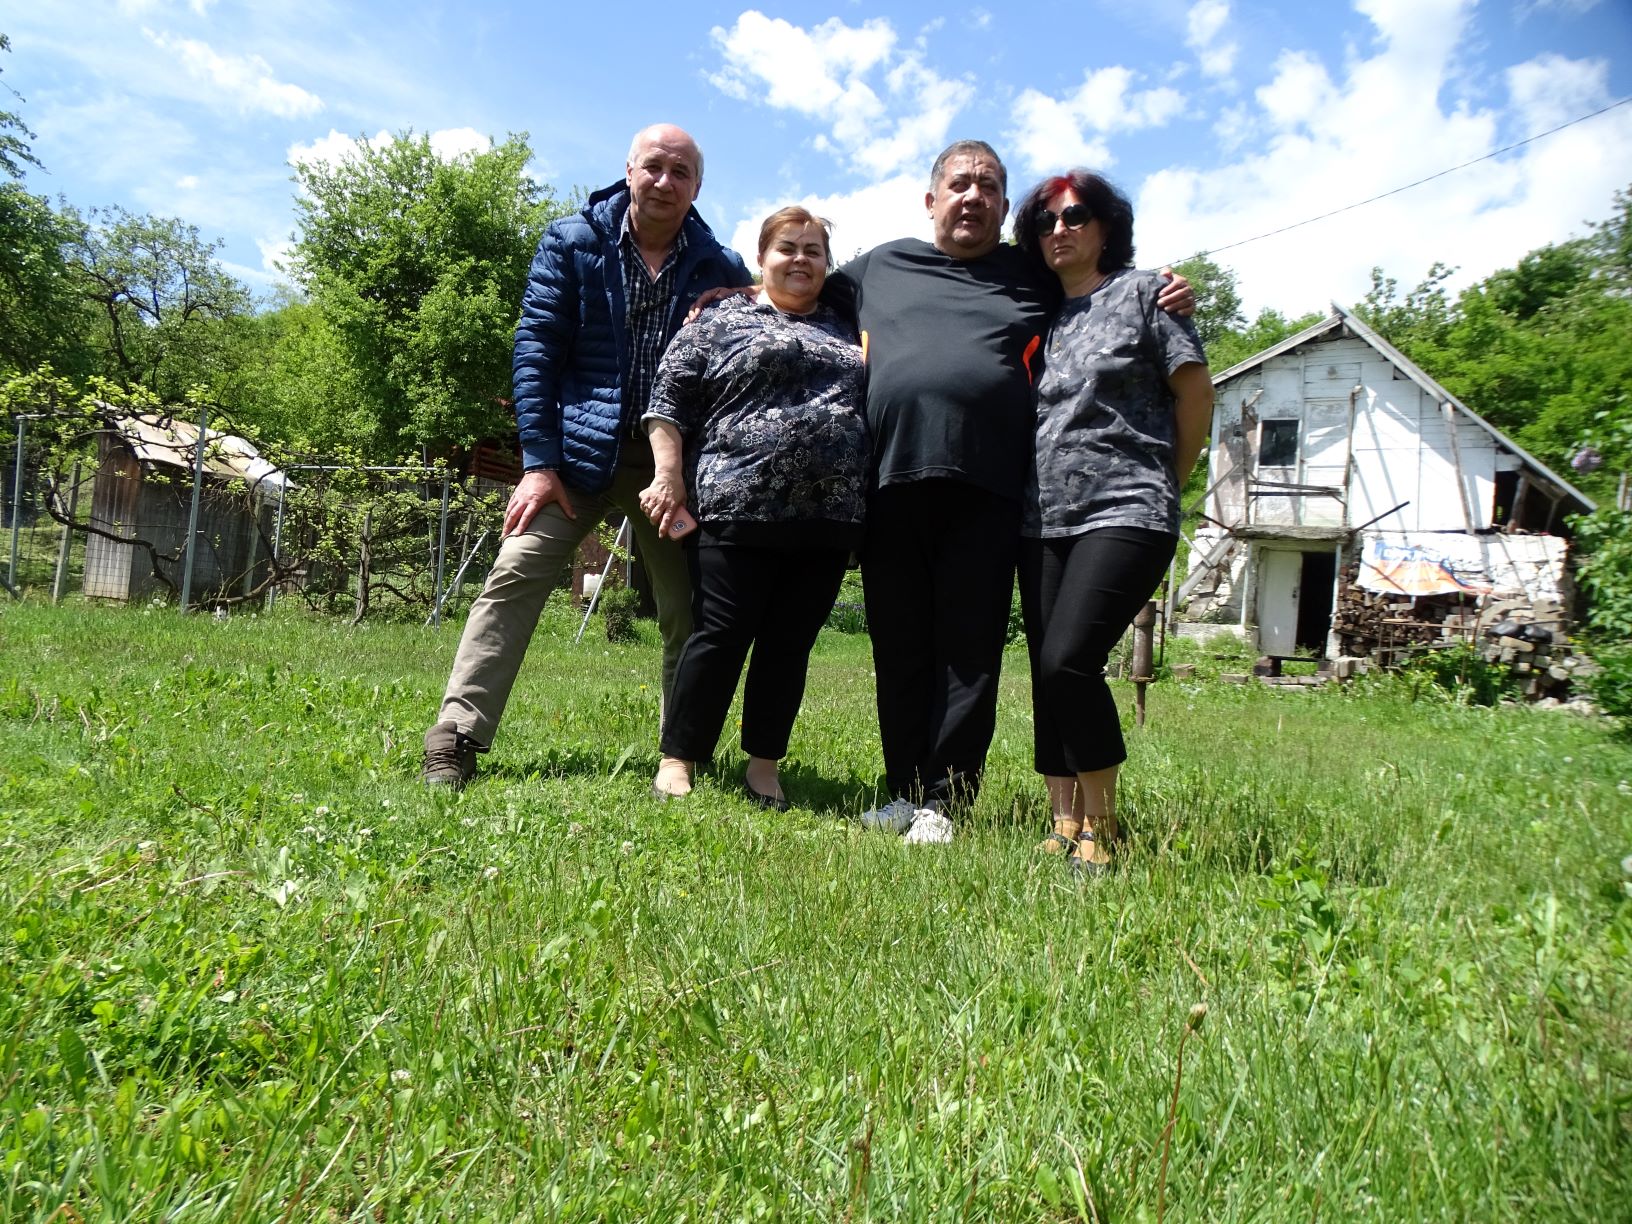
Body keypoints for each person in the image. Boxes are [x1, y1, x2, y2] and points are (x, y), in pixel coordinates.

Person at [819, 140, 1193, 844]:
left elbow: (1099, 282)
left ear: (1002, 203)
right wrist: (733, 295)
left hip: (991, 491)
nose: (973, 196)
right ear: (931, 199)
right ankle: (903, 791)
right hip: (891, 483)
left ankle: (947, 802)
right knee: (899, 650)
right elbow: (800, 290)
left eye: (988, 186)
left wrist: (1166, 287)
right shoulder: (880, 266)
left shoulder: (1031, 271)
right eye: (960, 184)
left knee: (969, 651)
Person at [421, 124, 750, 786]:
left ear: (697, 187)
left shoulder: (720, 265)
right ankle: (455, 735)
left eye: (681, 172)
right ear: (628, 171)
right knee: (514, 572)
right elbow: (536, 351)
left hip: (670, 470)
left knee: (688, 608)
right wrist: (538, 463)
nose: (665, 181)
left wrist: (746, 299)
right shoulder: (573, 242)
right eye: (653, 166)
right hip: (574, 457)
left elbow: (767, 325)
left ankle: (682, 749)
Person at [1010, 170, 1213, 874]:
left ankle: (1103, 824)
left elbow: (1195, 393)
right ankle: (1062, 819)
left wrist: (1168, 481)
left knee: (1070, 659)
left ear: (1105, 227)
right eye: (1044, 221)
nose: (1058, 230)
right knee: (1046, 666)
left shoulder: (1146, 294)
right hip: (1042, 518)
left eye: (1074, 216)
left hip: (1127, 507)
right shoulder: (1038, 314)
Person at [637, 207, 867, 808]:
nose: (800, 260)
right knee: (720, 635)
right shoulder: (719, 319)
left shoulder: (847, 323)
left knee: (788, 645)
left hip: (828, 515)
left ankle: (764, 766)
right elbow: (666, 403)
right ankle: (679, 757)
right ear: (762, 257)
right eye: (787, 248)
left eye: (813, 251)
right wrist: (668, 476)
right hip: (736, 504)